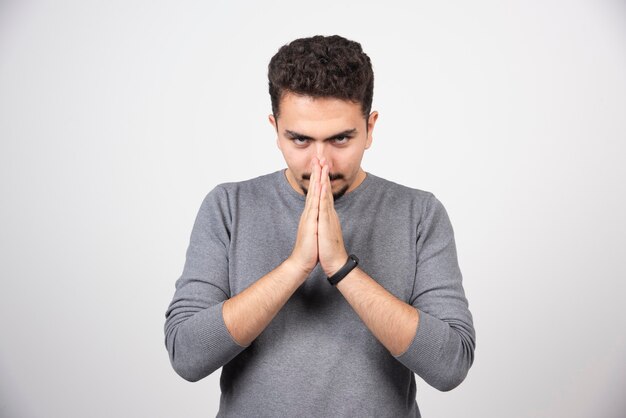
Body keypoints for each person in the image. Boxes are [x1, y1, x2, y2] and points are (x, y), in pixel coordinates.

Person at [164, 34, 476, 417]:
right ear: (275, 129)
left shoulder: (420, 213)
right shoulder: (229, 206)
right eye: (300, 139)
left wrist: (341, 269)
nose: (320, 162)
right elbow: (187, 355)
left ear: (370, 127)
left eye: (341, 138)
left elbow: (450, 366)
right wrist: (295, 266)